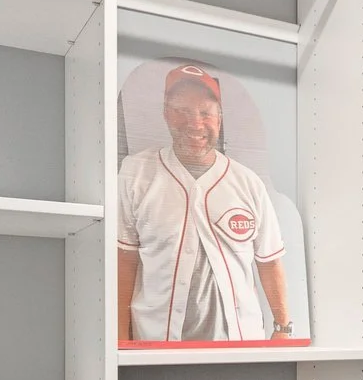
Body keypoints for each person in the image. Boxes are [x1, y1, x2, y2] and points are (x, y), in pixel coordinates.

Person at [116, 64, 294, 343]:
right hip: (156, 342)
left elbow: (269, 261)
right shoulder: (136, 173)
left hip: (239, 344)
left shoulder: (247, 182)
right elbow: (124, 260)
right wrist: (119, 336)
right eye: (182, 111)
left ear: (219, 119)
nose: (195, 123)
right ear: (165, 114)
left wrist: (283, 329)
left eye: (205, 113)